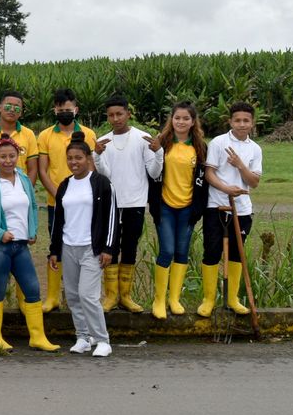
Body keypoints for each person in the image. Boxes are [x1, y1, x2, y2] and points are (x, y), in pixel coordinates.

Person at [0, 134, 59, 352]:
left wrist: (32, 230)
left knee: (32, 289)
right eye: (3, 156)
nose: (8, 160)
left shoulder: (23, 179)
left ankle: (37, 337)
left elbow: (32, 207)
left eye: (12, 156)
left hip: (21, 246)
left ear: (18, 156)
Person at [49, 131, 117, 357]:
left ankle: (102, 340)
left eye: (78, 158)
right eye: (70, 158)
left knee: (88, 295)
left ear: (88, 158)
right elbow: (58, 219)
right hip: (69, 247)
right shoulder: (64, 185)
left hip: (92, 248)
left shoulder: (101, 183)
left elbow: (111, 218)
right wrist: (54, 250)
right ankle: (83, 337)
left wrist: (108, 248)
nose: (73, 162)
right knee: (73, 296)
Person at [93, 95, 163, 312]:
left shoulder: (142, 139)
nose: (116, 119)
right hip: (111, 204)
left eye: (119, 114)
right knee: (110, 247)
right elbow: (105, 175)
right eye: (111, 115)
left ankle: (126, 295)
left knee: (130, 247)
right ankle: (111, 296)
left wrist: (158, 152)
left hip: (135, 202)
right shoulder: (103, 141)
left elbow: (154, 173)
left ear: (128, 114)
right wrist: (97, 156)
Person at [197, 102, 263, 317]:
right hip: (216, 206)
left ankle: (233, 299)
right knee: (212, 251)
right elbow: (209, 174)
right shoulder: (219, 142)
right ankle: (208, 299)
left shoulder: (255, 149)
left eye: (246, 120)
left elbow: (254, 182)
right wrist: (226, 189)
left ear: (252, 123)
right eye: (237, 120)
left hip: (242, 209)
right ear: (230, 121)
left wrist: (240, 165)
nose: (241, 124)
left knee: (236, 253)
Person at [37, 88, 97, 312]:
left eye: (68, 109)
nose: (64, 112)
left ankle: (81, 293)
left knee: (83, 245)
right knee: (57, 245)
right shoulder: (45, 136)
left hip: (84, 204)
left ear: (76, 110)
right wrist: (59, 195)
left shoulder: (89, 134)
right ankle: (53, 296)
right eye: (60, 109)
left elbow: (92, 167)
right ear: (55, 110)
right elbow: (43, 170)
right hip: (56, 202)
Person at [150, 102, 208, 319]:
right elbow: (152, 172)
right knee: (167, 251)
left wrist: (197, 208)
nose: (181, 122)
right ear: (171, 119)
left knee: (182, 252)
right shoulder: (162, 142)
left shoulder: (200, 147)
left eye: (186, 118)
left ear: (193, 122)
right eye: (177, 118)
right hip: (165, 206)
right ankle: (159, 300)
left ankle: (174, 299)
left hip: (188, 208)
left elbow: (203, 181)